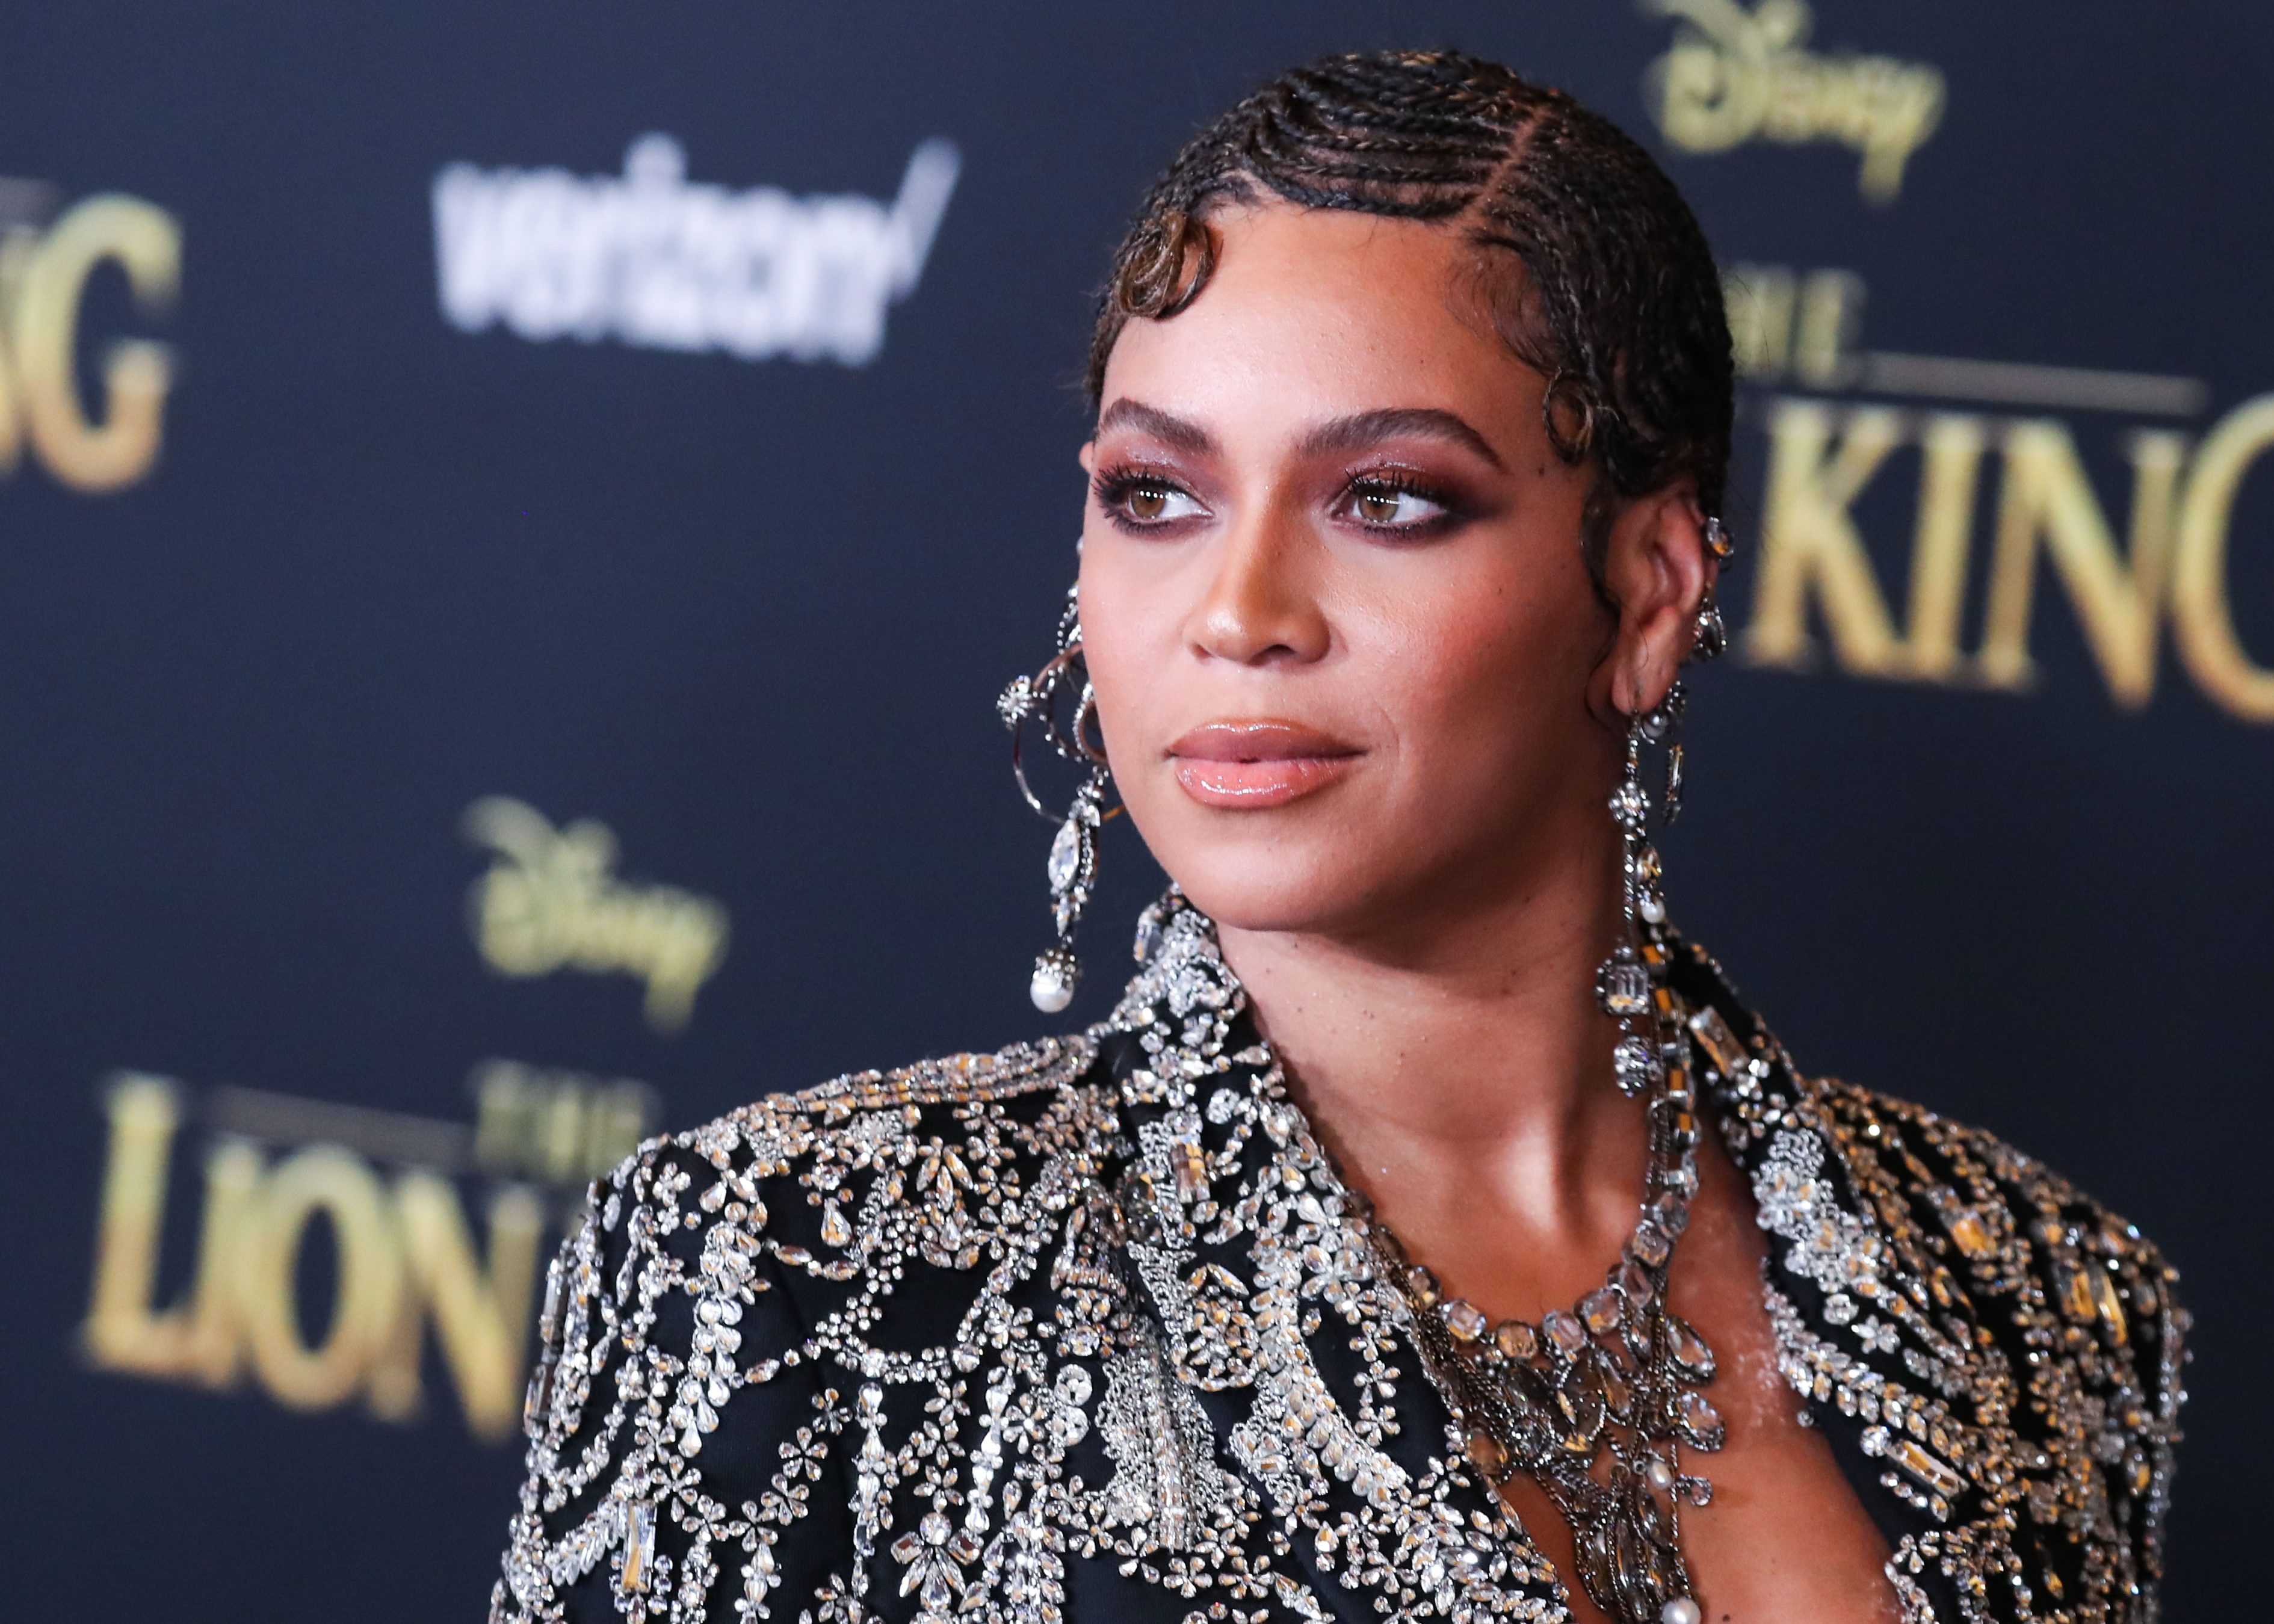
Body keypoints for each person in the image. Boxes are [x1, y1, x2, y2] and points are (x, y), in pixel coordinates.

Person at [490, 49, 2186, 1624]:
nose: (1239, 613)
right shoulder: (793, 1276)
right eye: (1157, 495)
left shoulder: (2043, 1298)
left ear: (1647, 592)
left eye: (1386, 499)